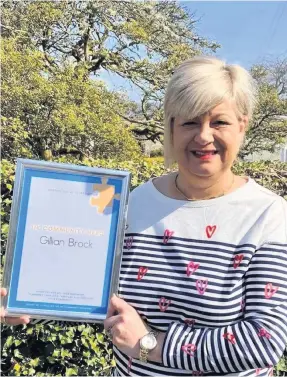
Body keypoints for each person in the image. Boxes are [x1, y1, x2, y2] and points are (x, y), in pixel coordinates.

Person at [1, 56, 287, 377]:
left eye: (219, 122)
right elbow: (93, 285)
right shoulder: (136, 201)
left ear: (242, 126)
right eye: (190, 121)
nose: (204, 136)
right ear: (172, 128)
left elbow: (264, 340)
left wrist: (150, 345)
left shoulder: (267, 214)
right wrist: (29, 301)